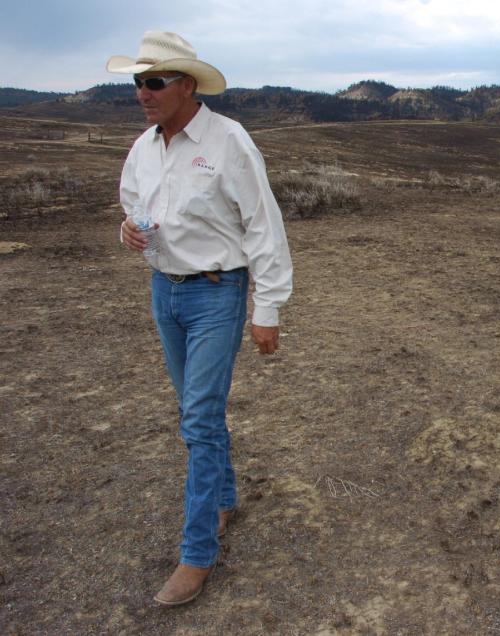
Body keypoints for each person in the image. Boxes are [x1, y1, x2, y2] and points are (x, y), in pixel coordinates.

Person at [107, 31, 293, 606]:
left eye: (154, 81)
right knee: (199, 414)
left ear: (187, 85)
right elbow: (133, 205)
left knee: (198, 417)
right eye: (138, 82)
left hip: (217, 292)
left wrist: (268, 307)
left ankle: (196, 554)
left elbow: (263, 225)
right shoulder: (145, 147)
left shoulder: (228, 139)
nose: (143, 92)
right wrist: (128, 229)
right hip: (165, 292)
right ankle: (223, 500)